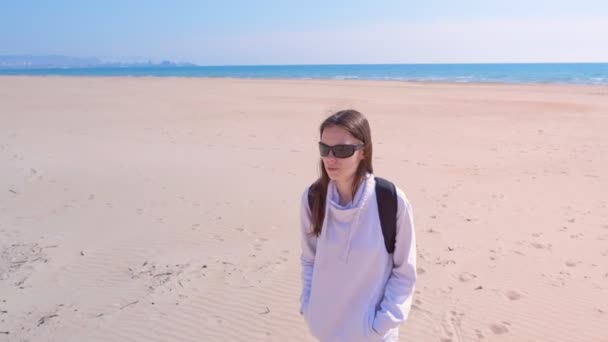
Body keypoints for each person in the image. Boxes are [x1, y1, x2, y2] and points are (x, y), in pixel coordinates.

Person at [299, 109, 417, 342]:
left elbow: (405, 272)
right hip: (326, 331)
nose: (330, 159)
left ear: (363, 151)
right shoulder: (313, 198)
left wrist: (380, 325)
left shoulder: (390, 200)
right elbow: (309, 259)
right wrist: (310, 308)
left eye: (342, 150)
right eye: (325, 149)